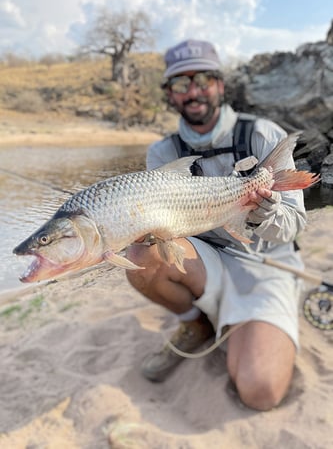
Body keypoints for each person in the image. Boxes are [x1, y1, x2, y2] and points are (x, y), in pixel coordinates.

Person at [125, 39, 307, 411]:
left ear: (220, 86)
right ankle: (198, 325)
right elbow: (163, 234)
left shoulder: (263, 133)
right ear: (170, 94)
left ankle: (238, 323)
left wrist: (262, 211)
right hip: (206, 256)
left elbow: (293, 227)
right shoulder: (162, 153)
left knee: (260, 390)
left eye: (203, 79)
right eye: (181, 84)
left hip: (264, 262)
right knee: (140, 255)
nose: (193, 91)